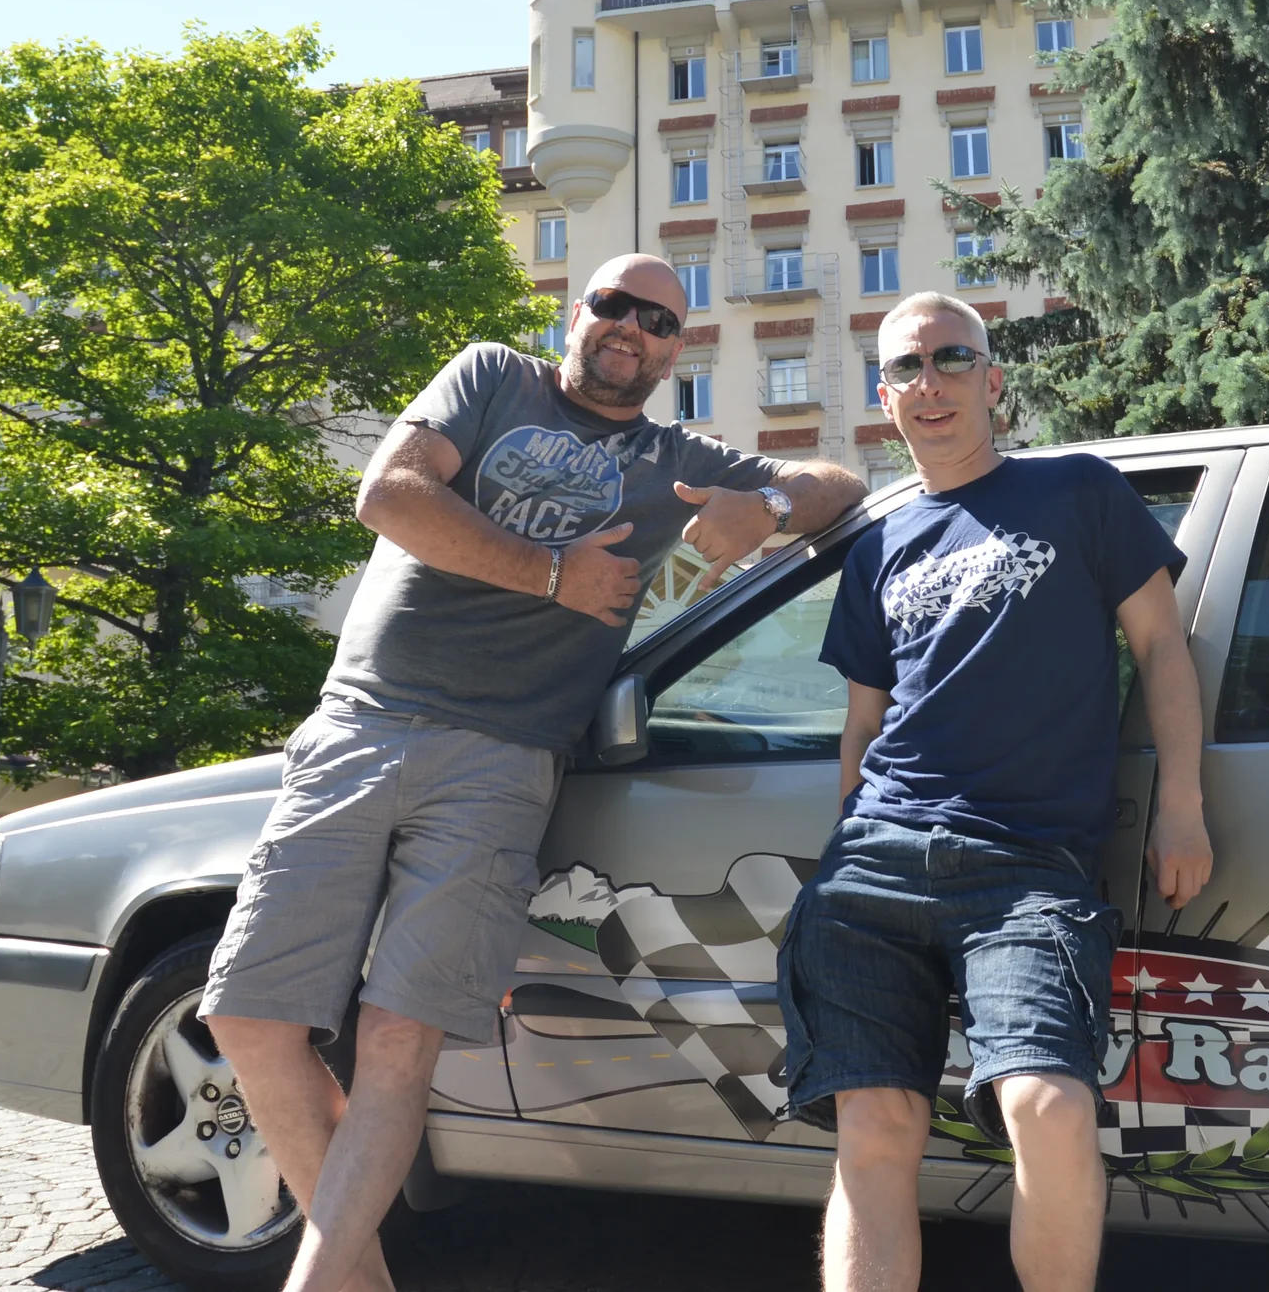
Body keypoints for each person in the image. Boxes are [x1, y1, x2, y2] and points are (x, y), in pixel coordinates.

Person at [203, 254, 864, 1292]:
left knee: (400, 1040)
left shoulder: (674, 460)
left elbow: (845, 486)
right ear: (575, 312)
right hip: (360, 723)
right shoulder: (491, 377)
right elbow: (391, 494)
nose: (632, 328)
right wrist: (553, 575)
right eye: (614, 305)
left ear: (677, 351)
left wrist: (769, 506)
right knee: (247, 1015)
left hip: (502, 762)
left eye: (660, 320)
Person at [780, 291, 1212, 1292]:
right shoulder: (878, 545)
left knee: (1047, 1107)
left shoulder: (1077, 490)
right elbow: (863, 726)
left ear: (993, 380)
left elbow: (1162, 647)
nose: (929, 382)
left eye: (952, 359)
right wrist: (847, 832)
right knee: (874, 1125)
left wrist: (1182, 804)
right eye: (907, 367)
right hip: (873, 864)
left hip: (1025, 869)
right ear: (884, 397)